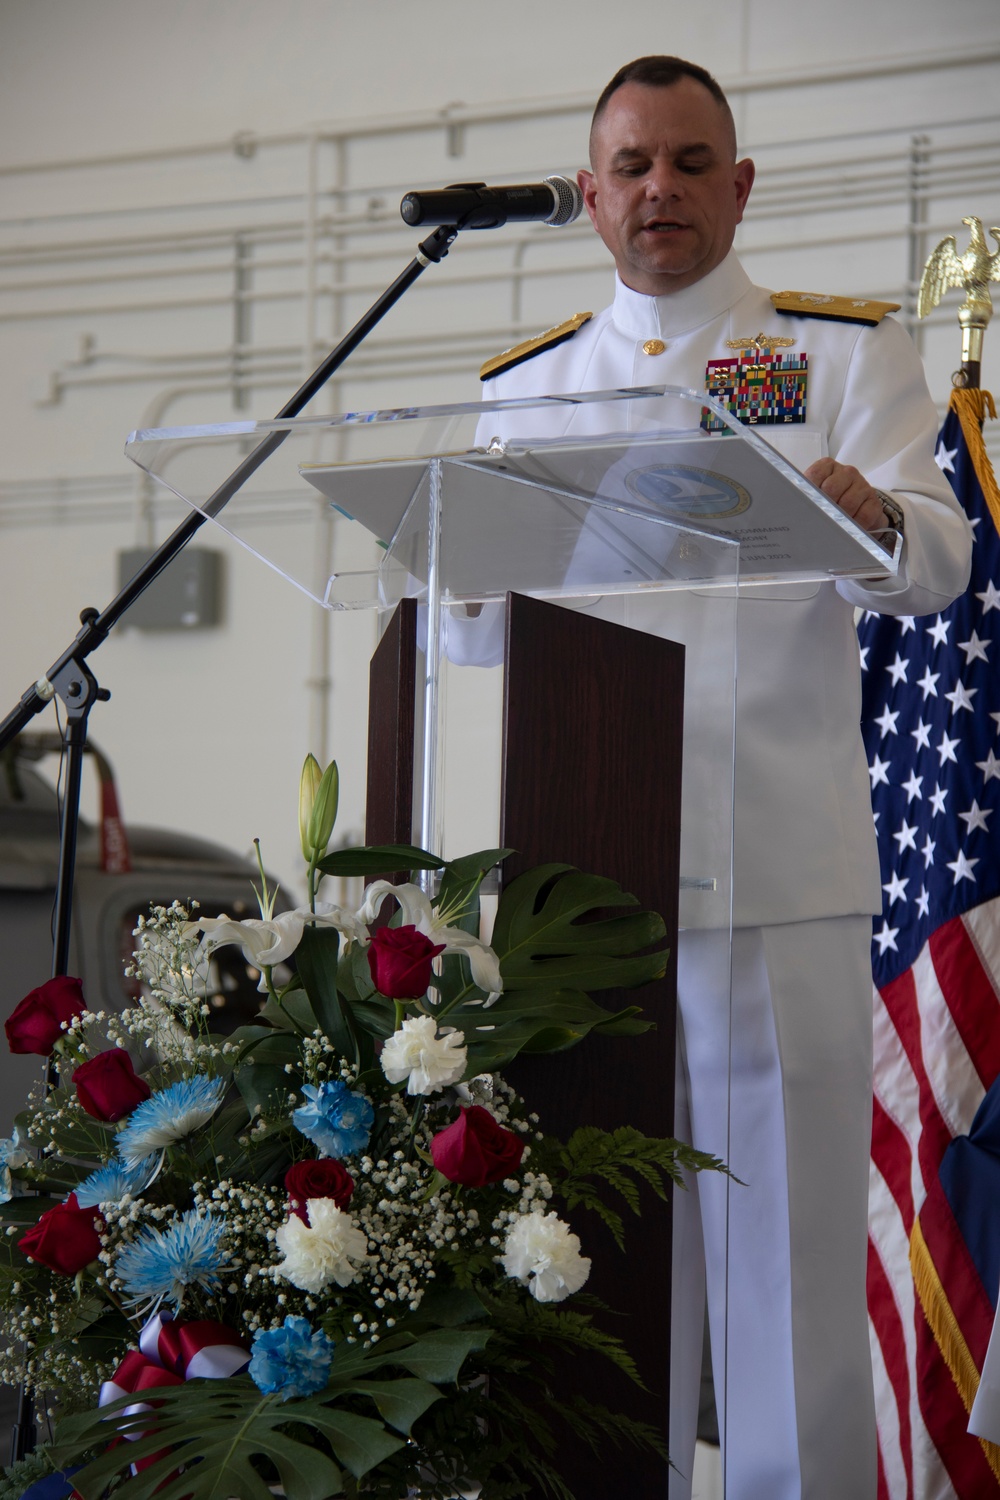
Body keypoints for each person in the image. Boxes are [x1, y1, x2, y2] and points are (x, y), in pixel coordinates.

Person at [479, 56, 973, 1500]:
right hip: (582, 885)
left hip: (776, 868)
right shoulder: (525, 390)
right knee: (582, 1266)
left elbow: (941, 564)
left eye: (693, 163)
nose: (662, 192)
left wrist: (878, 510)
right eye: (633, 166)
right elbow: (457, 617)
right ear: (590, 194)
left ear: (739, 184)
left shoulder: (839, 354)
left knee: (789, 1271)